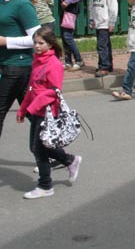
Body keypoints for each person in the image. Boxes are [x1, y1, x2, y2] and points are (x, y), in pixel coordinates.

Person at [15, 27, 81, 199]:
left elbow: (54, 91)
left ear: (50, 44)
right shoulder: (36, 61)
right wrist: (23, 109)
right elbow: (31, 88)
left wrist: (33, 106)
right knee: (36, 147)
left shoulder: (54, 64)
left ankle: (45, 186)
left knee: (38, 149)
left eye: (41, 43)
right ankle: (69, 160)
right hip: (35, 110)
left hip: (48, 111)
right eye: (35, 43)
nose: (37, 46)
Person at [0, 0, 41, 141]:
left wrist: (6, 41)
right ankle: (55, 151)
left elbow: (36, 39)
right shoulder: (3, 2)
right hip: (6, 64)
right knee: (33, 112)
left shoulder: (22, 4)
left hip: (18, 65)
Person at [50, 0, 85, 71]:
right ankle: (68, 62)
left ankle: (79, 60)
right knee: (64, 37)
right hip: (62, 11)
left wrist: (68, 1)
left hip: (71, 11)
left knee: (67, 36)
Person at [88, 0, 118, 78]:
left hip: (105, 23)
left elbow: (113, 8)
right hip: (97, 22)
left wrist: (112, 22)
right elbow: (91, 7)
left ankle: (104, 67)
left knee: (102, 46)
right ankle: (108, 65)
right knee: (104, 45)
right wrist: (91, 19)